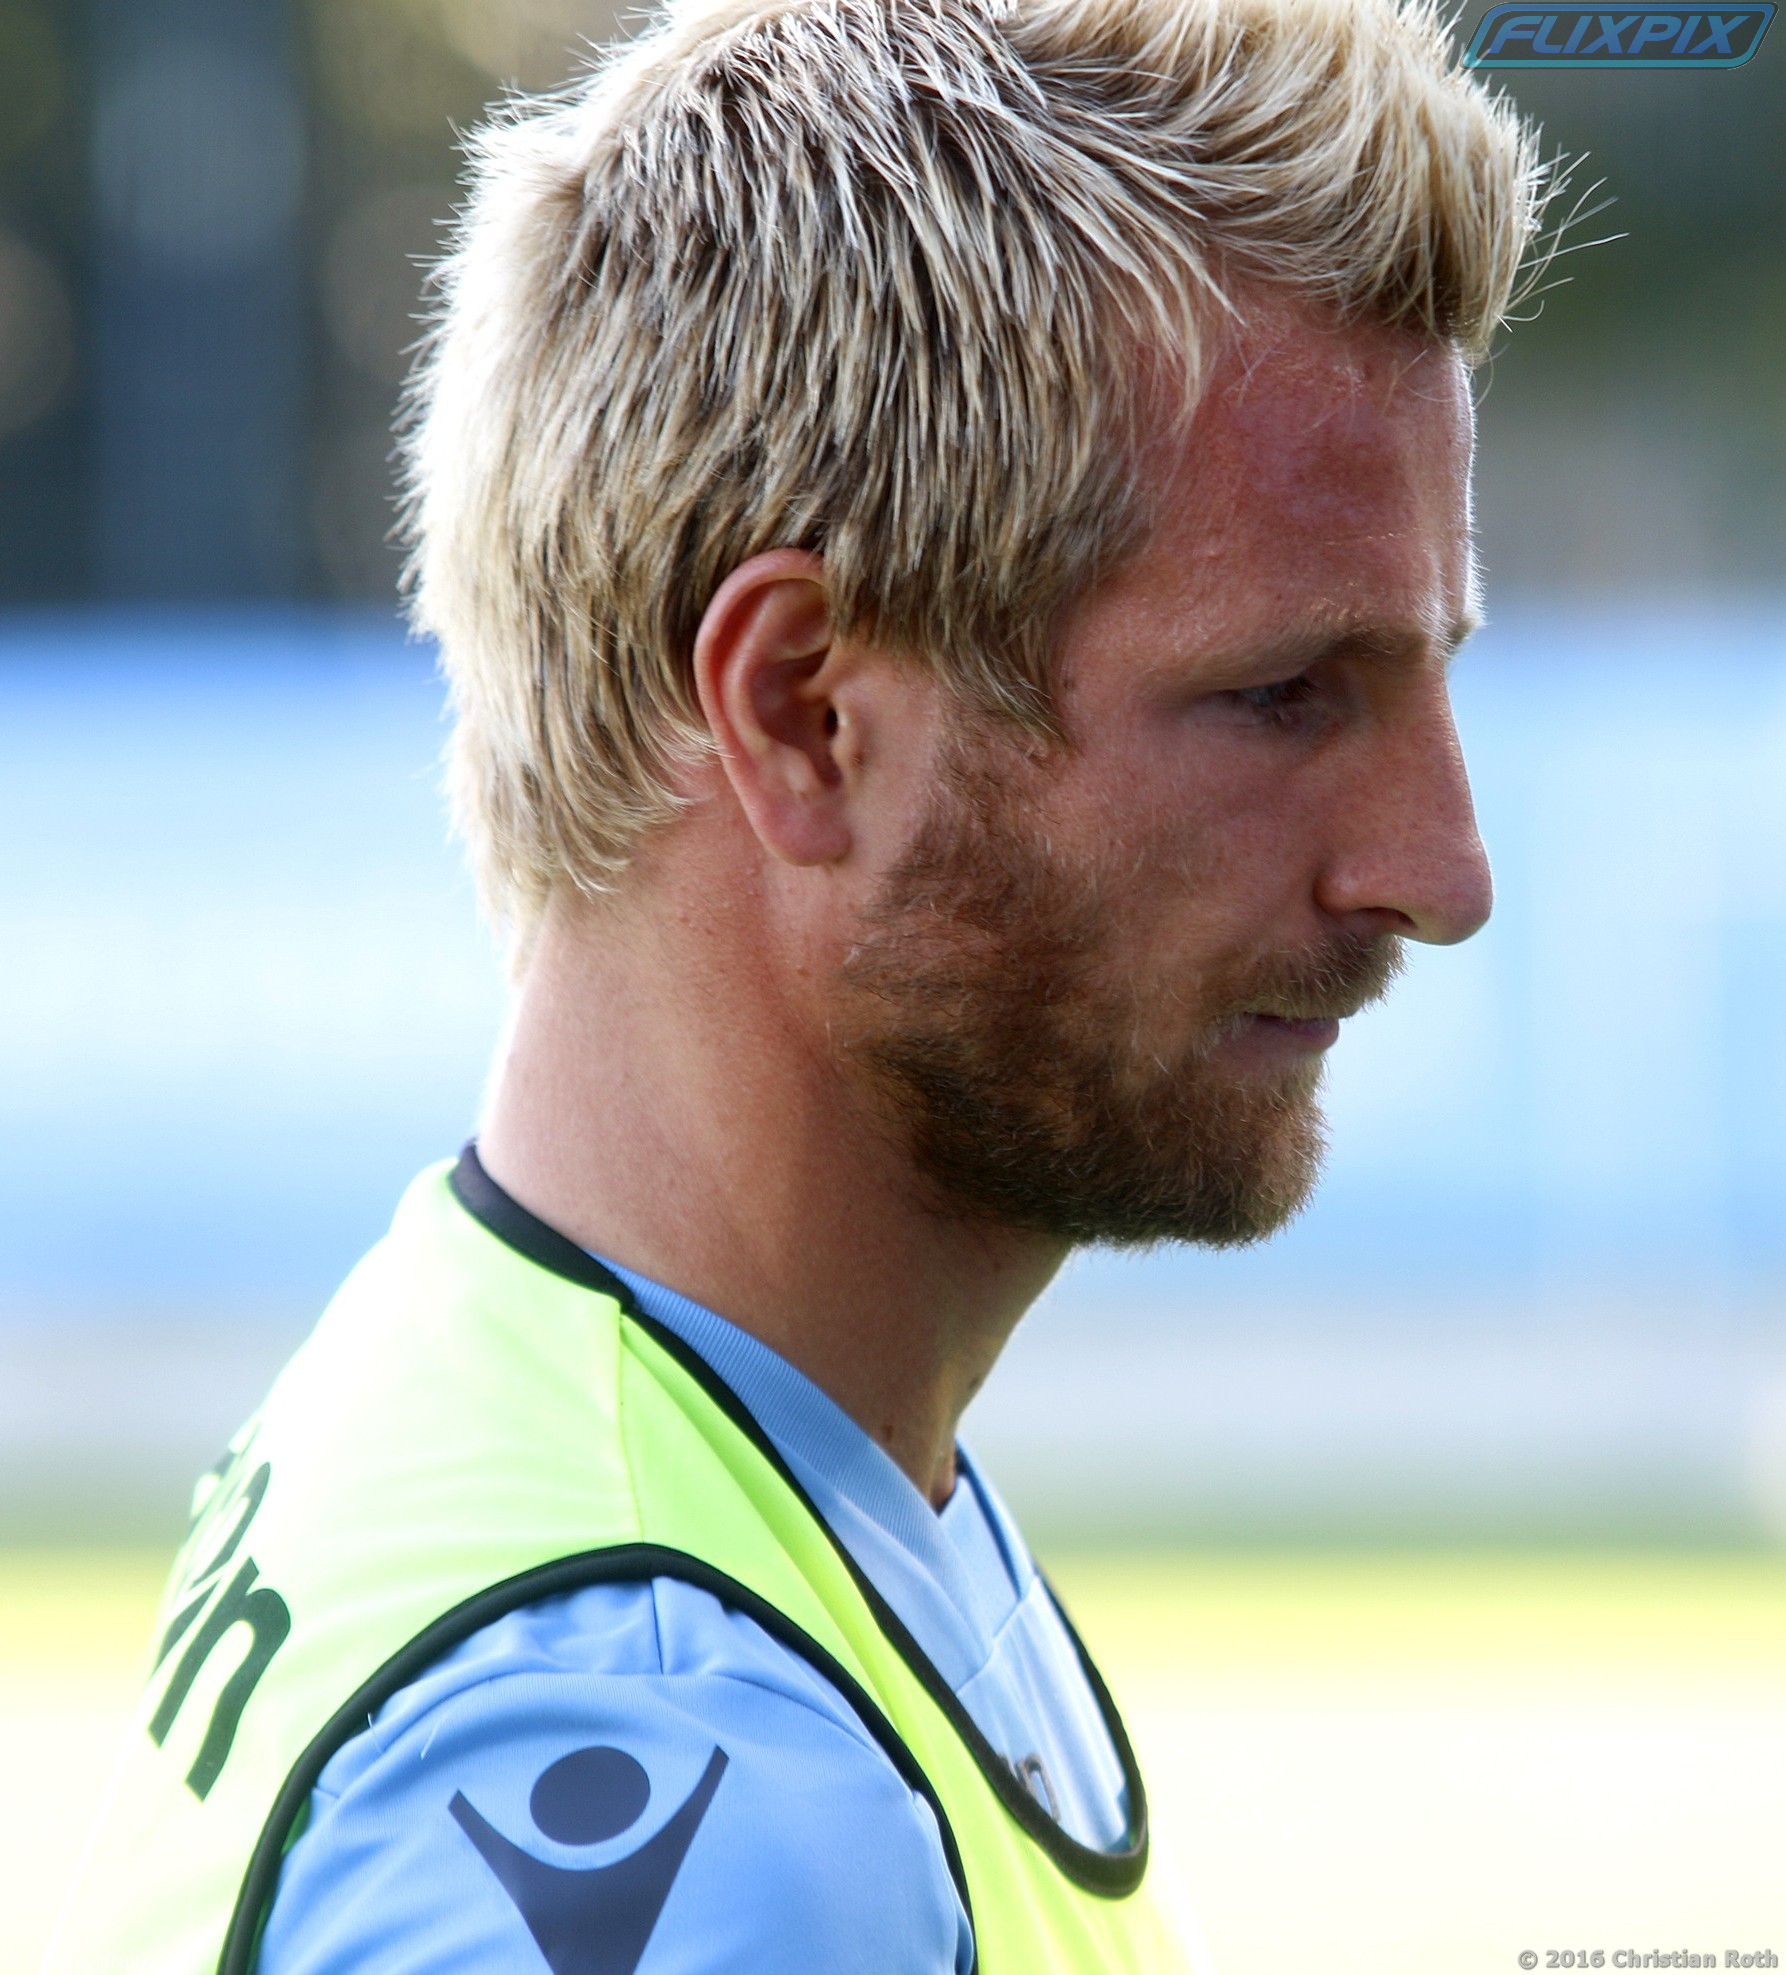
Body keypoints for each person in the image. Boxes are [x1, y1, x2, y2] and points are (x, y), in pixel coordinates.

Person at [51, 0, 1548, 1969]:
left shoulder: (547, 1392)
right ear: (800, 715)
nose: (1438, 873)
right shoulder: (691, 1779)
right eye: (1283, 692)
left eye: (1430, 673)